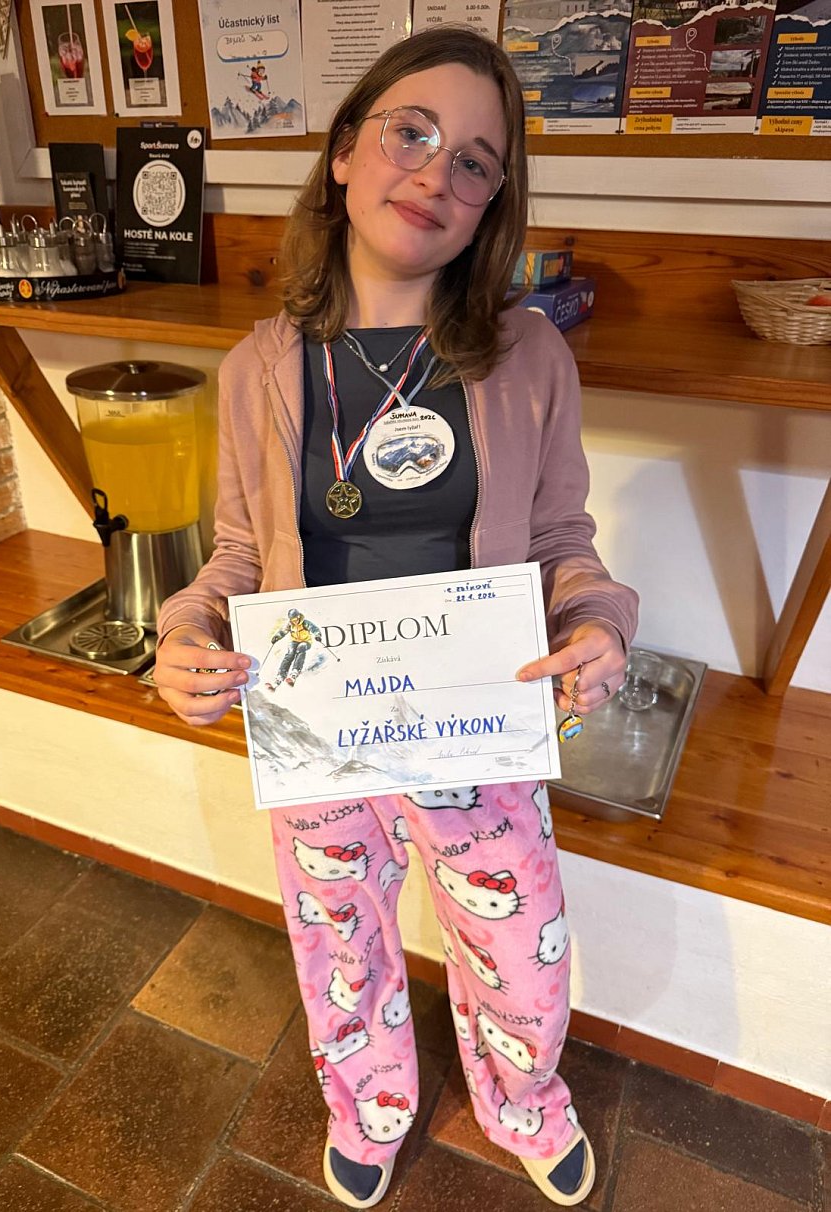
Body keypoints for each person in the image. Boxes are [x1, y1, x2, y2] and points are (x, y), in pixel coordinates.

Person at [155, 24, 637, 1209]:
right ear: (341, 154)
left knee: (518, 952)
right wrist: (188, 631)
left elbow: (563, 543)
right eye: (409, 133)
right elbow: (235, 555)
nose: (435, 173)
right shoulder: (260, 366)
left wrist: (597, 624)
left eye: (474, 160)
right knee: (340, 946)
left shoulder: (529, 356)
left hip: (479, 721)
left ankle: (523, 1098)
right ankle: (370, 1105)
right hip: (318, 730)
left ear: (491, 206)